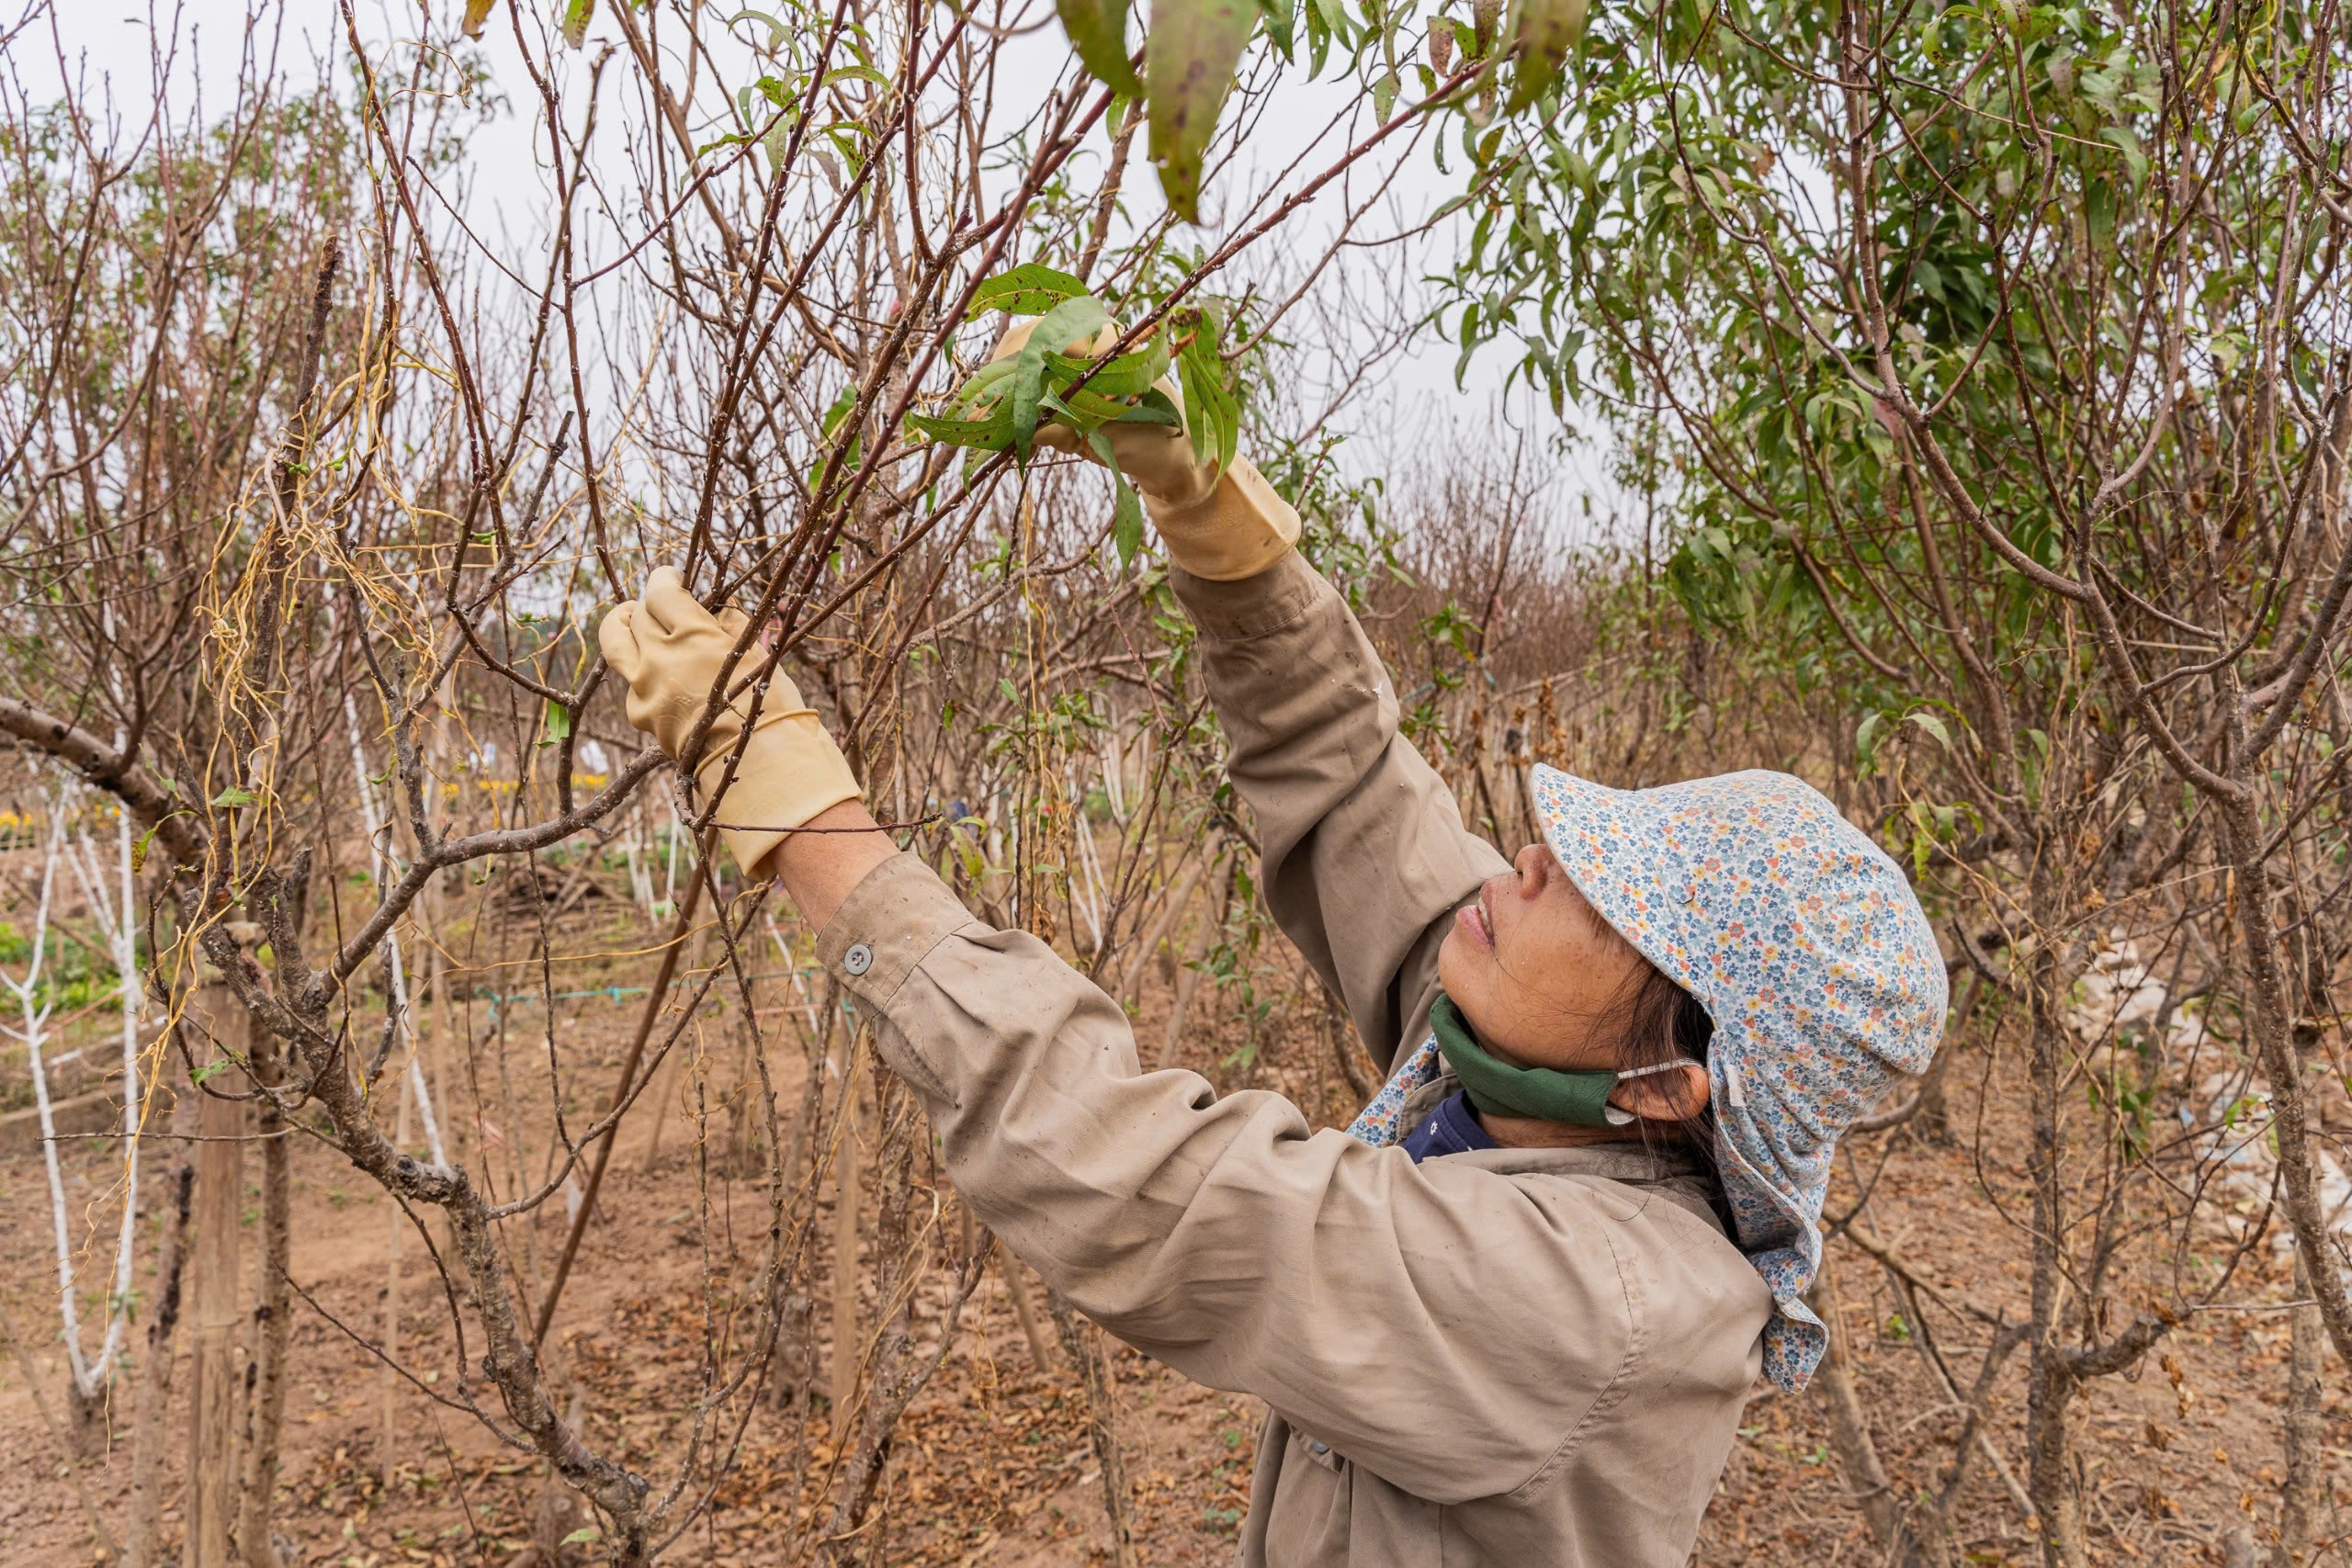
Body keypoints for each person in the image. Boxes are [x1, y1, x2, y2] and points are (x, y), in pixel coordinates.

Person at [596, 324, 1947, 1565]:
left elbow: (1164, 1193)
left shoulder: (1591, 1305)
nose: (1530, 863)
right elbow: (1357, 785)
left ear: (1665, 1085)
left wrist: (809, 827)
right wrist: (1218, 523)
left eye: (1602, 902)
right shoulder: (1551, 1080)